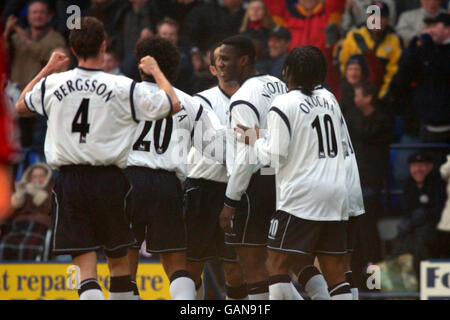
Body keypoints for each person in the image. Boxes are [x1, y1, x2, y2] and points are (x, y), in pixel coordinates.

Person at [14, 16, 181, 300]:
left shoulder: (55, 83)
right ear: (104, 46)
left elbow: (21, 105)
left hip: (69, 182)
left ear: (74, 49)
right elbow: (173, 103)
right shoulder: (122, 87)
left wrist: (48, 68)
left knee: (86, 271)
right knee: (118, 265)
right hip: (110, 181)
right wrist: (156, 71)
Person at [234, 46, 352, 300]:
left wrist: (254, 139)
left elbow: (273, 156)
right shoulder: (330, 100)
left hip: (301, 194)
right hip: (335, 193)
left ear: (286, 72)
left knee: (275, 265)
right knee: (335, 273)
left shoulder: (283, 103)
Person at [124, 36, 226, 300]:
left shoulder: (123, 94)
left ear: (141, 64)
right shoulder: (191, 103)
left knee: (124, 266)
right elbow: (217, 151)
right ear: (173, 66)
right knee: (176, 267)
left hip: (128, 181)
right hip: (168, 185)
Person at [217, 35, 287, 300]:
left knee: (252, 263)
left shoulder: (242, 98)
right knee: (282, 266)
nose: (220, 64)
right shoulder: (280, 85)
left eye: (225, 59)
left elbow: (246, 157)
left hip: (255, 186)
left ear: (243, 61)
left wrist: (230, 202)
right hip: (283, 180)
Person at [184, 43, 248, 300]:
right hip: (202, 186)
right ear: (211, 68)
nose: (223, 64)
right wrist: (245, 137)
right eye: (219, 60)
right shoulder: (201, 101)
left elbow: (265, 140)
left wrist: (247, 138)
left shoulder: (254, 98)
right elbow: (218, 143)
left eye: (228, 59)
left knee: (235, 268)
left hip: (236, 190)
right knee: (190, 266)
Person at [2, 0, 66, 154]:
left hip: (40, 98)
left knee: (39, 147)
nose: (38, 16)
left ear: (49, 15)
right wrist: (7, 31)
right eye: (34, 13)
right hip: (16, 96)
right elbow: (3, 54)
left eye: (41, 12)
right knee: (16, 147)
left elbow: (46, 55)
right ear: (28, 16)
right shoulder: (16, 37)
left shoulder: (56, 39)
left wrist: (22, 36)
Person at [346, 81, 393, 272]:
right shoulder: (352, 116)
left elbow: (366, 134)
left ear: (368, 98)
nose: (355, 99)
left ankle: (374, 281)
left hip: (371, 183)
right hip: (353, 182)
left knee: (368, 232)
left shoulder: (382, 119)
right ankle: (357, 280)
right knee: (354, 234)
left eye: (358, 95)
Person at [391, 152, 447, 279]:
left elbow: (440, 211)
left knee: (420, 246)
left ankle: (421, 284)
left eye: (422, 166)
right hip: (414, 227)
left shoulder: (439, 184)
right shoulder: (408, 185)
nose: (418, 170)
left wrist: (423, 216)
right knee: (400, 244)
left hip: (435, 228)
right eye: (414, 166)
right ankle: (399, 287)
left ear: (430, 167)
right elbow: (407, 212)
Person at [338, 1, 403, 100]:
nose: (377, 20)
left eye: (382, 17)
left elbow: (392, 73)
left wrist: (380, 97)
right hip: (352, 95)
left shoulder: (394, 40)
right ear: (367, 17)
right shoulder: (354, 35)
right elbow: (343, 67)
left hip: (379, 98)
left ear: (388, 20)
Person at [0, 163, 53, 261]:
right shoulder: (24, 189)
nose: (37, 179)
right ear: (29, 177)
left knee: (28, 247)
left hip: (38, 224)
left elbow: (48, 208)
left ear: (47, 177)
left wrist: (37, 193)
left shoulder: (50, 190)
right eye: (34, 176)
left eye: (41, 176)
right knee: (4, 245)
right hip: (19, 224)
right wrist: (19, 195)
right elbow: (11, 209)